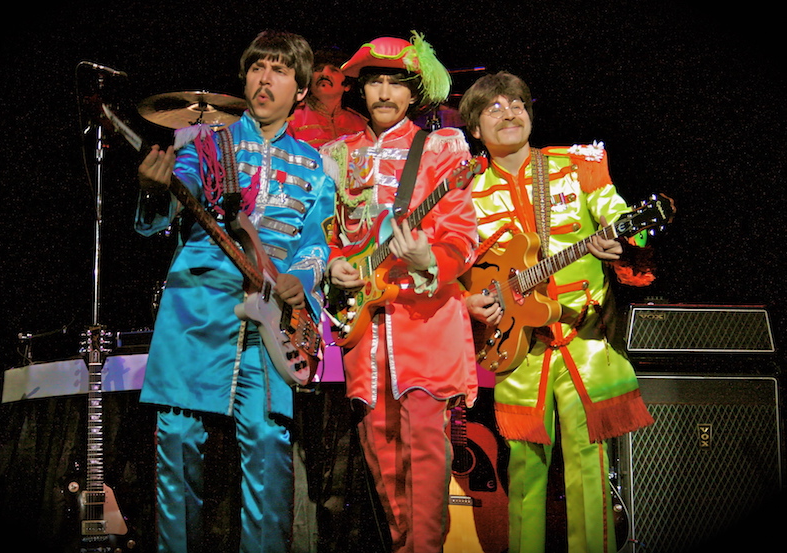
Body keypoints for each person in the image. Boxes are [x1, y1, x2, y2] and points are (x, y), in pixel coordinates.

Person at [134, 30, 334, 553]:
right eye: (257, 68)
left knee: (269, 448)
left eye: (280, 70)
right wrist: (158, 194)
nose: (265, 78)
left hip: (271, 324)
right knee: (176, 442)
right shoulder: (206, 144)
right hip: (198, 307)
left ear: (301, 90)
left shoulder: (315, 167)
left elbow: (317, 245)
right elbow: (169, 211)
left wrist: (301, 279)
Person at [457, 71, 657, 553]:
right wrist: (467, 300)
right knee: (523, 472)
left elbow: (630, 226)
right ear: (475, 131)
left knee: (590, 465)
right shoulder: (465, 192)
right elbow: (456, 269)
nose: (509, 112)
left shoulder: (577, 165)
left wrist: (626, 238)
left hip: (584, 340)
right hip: (516, 349)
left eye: (517, 103)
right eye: (493, 107)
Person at [320, 32, 479, 553]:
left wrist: (427, 257)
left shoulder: (441, 147)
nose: (385, 92)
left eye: (396, 83)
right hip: (363, 325)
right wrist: (333, 266)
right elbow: (324, 235)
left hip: (425, 318)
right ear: (360, 91)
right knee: (379, 448)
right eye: (375, 83)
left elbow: (461, 234)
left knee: (426, 447)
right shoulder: (336, 155)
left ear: (414, 94)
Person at [288, 47, 367, 149]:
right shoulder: (291, 119)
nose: (324, 73)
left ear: (347, 85)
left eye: (334, 70)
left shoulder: (361, 124)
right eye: (317, 70)